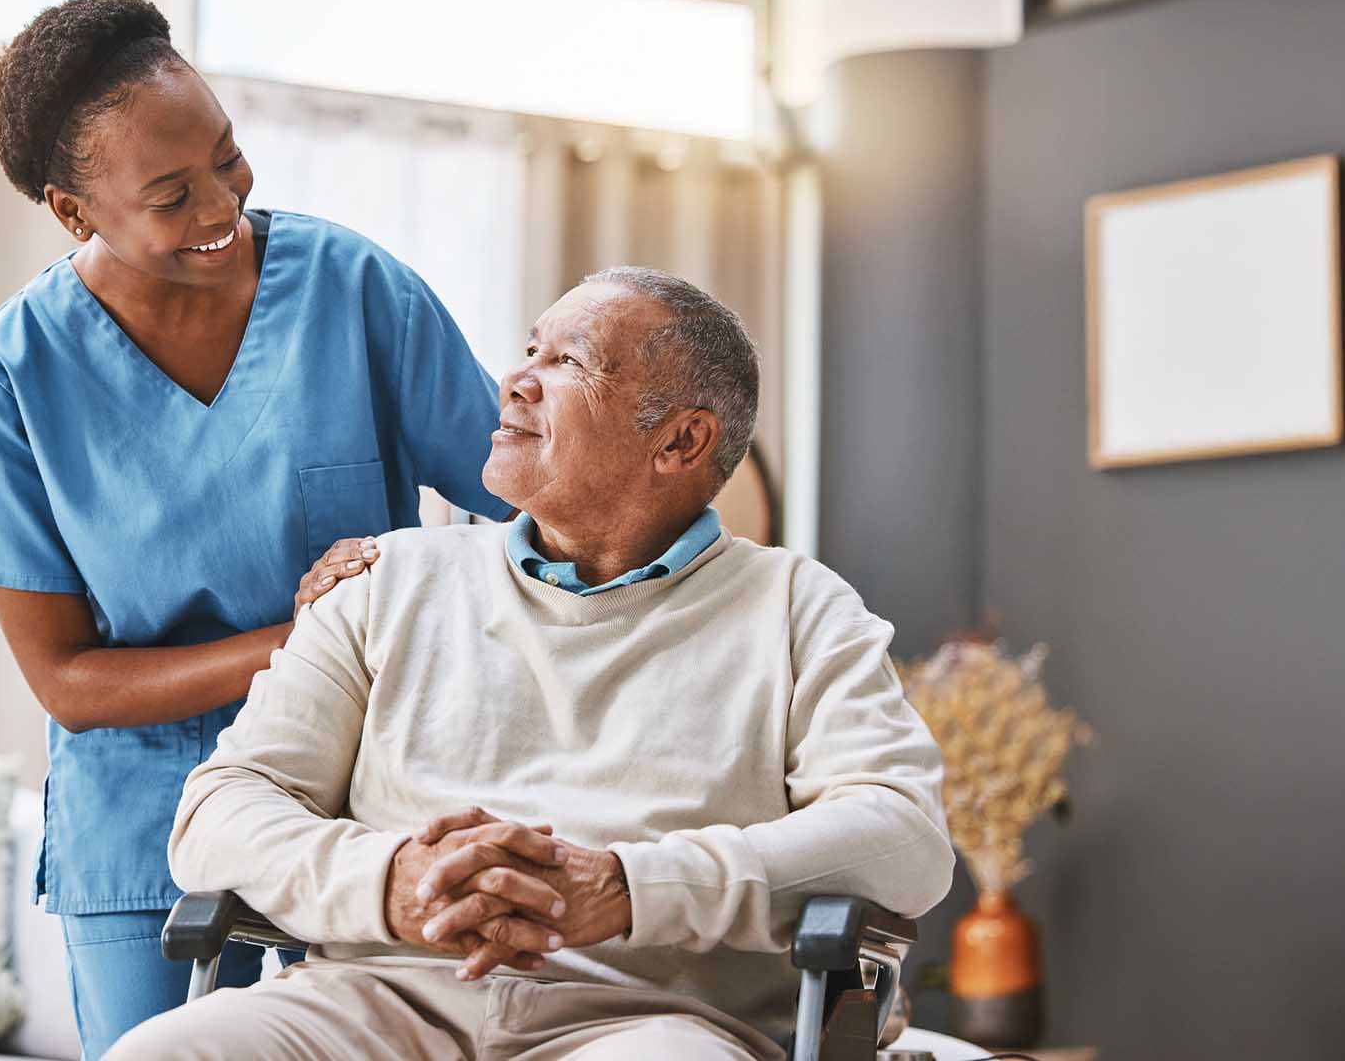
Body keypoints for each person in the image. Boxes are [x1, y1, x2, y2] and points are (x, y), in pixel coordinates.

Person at [113, 268, 955, 1060]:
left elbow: (903, 836)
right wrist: (392, 879)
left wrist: (632, 885)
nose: (517, 382)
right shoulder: (387, 581)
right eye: (529, 352)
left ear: (681, 440)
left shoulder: (798, 607)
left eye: (570, 362)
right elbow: (218, 812)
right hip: (376, 1000)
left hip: (646, 1022)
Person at [0, 0, 511, 1057]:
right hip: (146, 821)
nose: (222, 203)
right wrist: (307, 640)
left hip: (373, 797)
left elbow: (530, 507)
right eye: (172, 194)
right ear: (72, 210)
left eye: (229, 159)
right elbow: (68, 683)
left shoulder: (353, 289)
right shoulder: (11, 377)